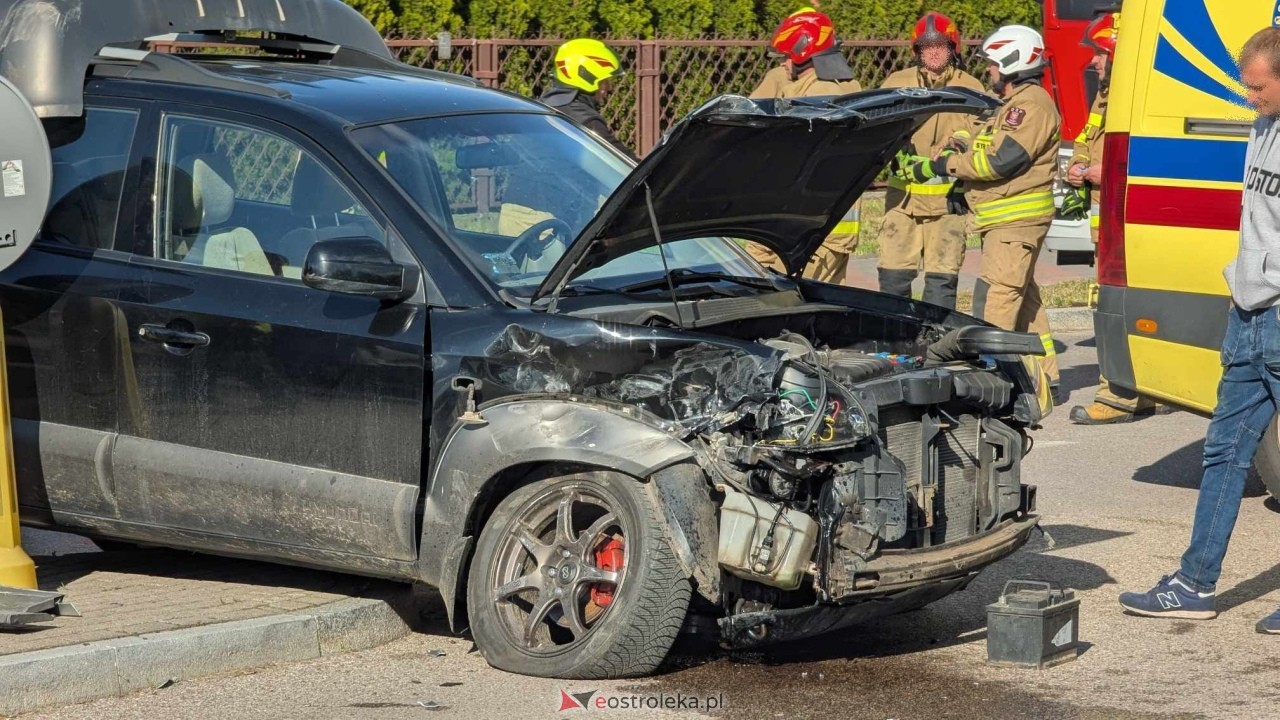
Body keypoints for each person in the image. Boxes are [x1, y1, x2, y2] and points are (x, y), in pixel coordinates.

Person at [1119, 27, 1280, 631]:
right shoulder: (1264, 127)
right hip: (1250, 315)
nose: (1248, 97)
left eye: (1257, 86)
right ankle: (1194, 584)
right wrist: (1244, 286)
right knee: (1223, 452)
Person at [903, 24, 1062, 395]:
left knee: (998, 303)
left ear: (1012, 61)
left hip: (1015, 223)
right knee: (1026, 303)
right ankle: (1046, 377)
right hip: (1004, 223)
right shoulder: (1011, 102)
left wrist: (944, 166)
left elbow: (1000, 162)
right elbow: (978, 136)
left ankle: (995, 383)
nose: (988, 69)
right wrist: (956, 150)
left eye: (992, 62)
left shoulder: (1031, 106)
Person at [1065, 13, 1161, 425]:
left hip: (1128, 221)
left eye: (1101, 54)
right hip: (1109, 223)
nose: (1094, 62)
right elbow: (1087, 138)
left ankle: (1118, 396)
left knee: (1117, 308)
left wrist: (1105, 173)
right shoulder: (1107, 96)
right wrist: (1077, 165)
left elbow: (1148, 157)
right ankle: (1141, 389)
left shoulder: (1135, 99)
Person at [875, 11, 987, 309]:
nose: (934, 52)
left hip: (948, 204)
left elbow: (981, 132)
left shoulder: (970, 86)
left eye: (940, 45)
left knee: (941, 281)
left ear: (953, 48)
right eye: (926, 46)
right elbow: (878, 125)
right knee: (893, 278)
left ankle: (935, 337)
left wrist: (959, 144)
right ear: (917, 51)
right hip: (902, 203)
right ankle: (896, 335)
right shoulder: (897, 82)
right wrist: (892, 146)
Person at [745, 9, 862, 284]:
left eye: (786, 57)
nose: (783, 64)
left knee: (795, 299)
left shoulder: (822, 96)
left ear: (802, 54)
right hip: (794, 224)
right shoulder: (812, 88)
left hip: (814, 231)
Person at [540, 38, 635, 160]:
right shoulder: (586, 121)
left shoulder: (538, 108)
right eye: (604, 80)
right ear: (587, 78)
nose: (609, 87)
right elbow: (625, 161)